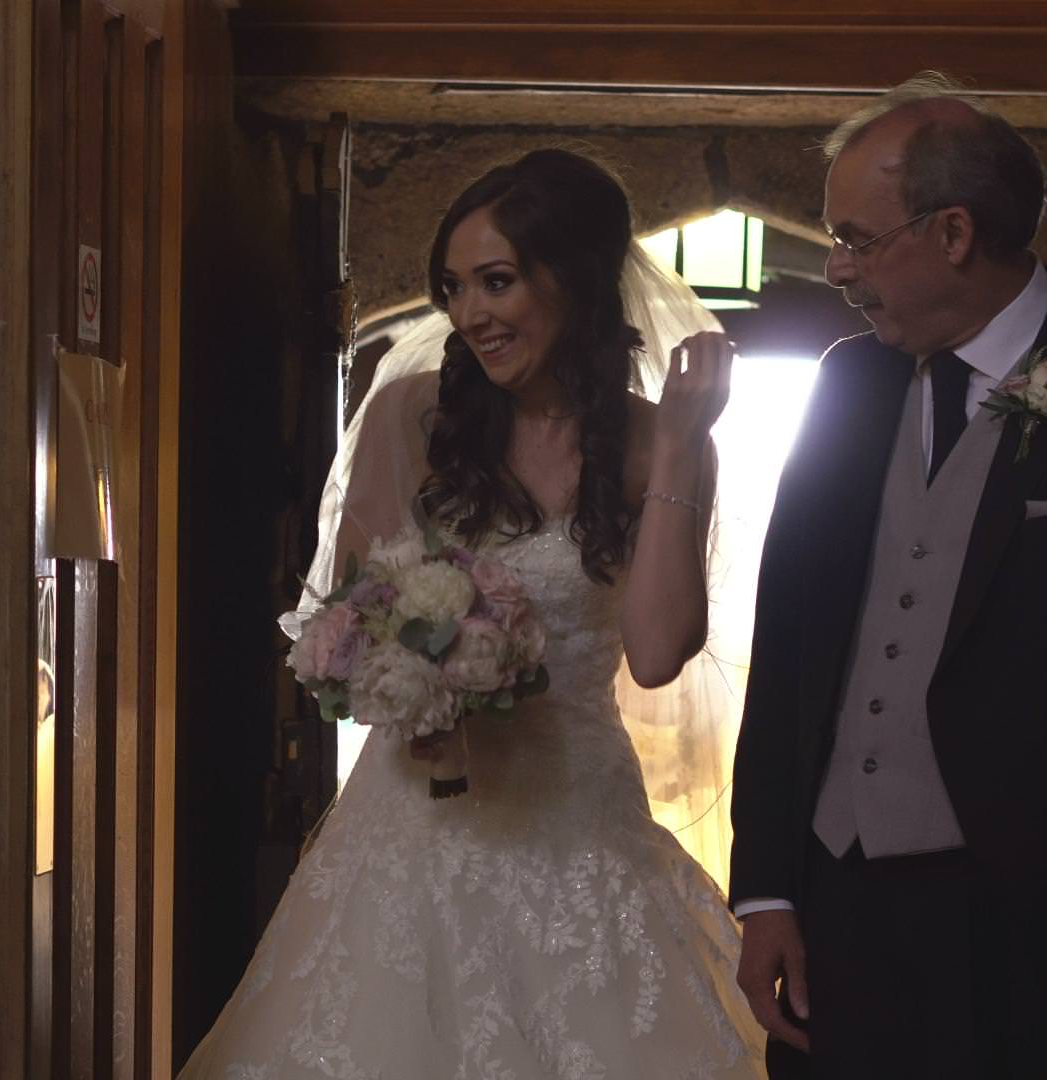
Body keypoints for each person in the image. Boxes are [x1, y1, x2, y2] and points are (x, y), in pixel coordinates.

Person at [179, 148, 769, 1079]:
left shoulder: (660, 439)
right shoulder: (411, 417)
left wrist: (690, 446)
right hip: (414, 828)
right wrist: (416, 678)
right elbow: (349, 625)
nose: (471, 315)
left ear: (573, 280)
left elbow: (657, 652)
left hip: (579, 824)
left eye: (497, 282)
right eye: (454, 289)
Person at [728, 73, 1047, 1080]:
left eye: (858, 238)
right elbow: (789, 643)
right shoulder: (848, 382)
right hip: (841, 925)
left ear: (956, 233)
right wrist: (767, 893)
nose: (838, 269)